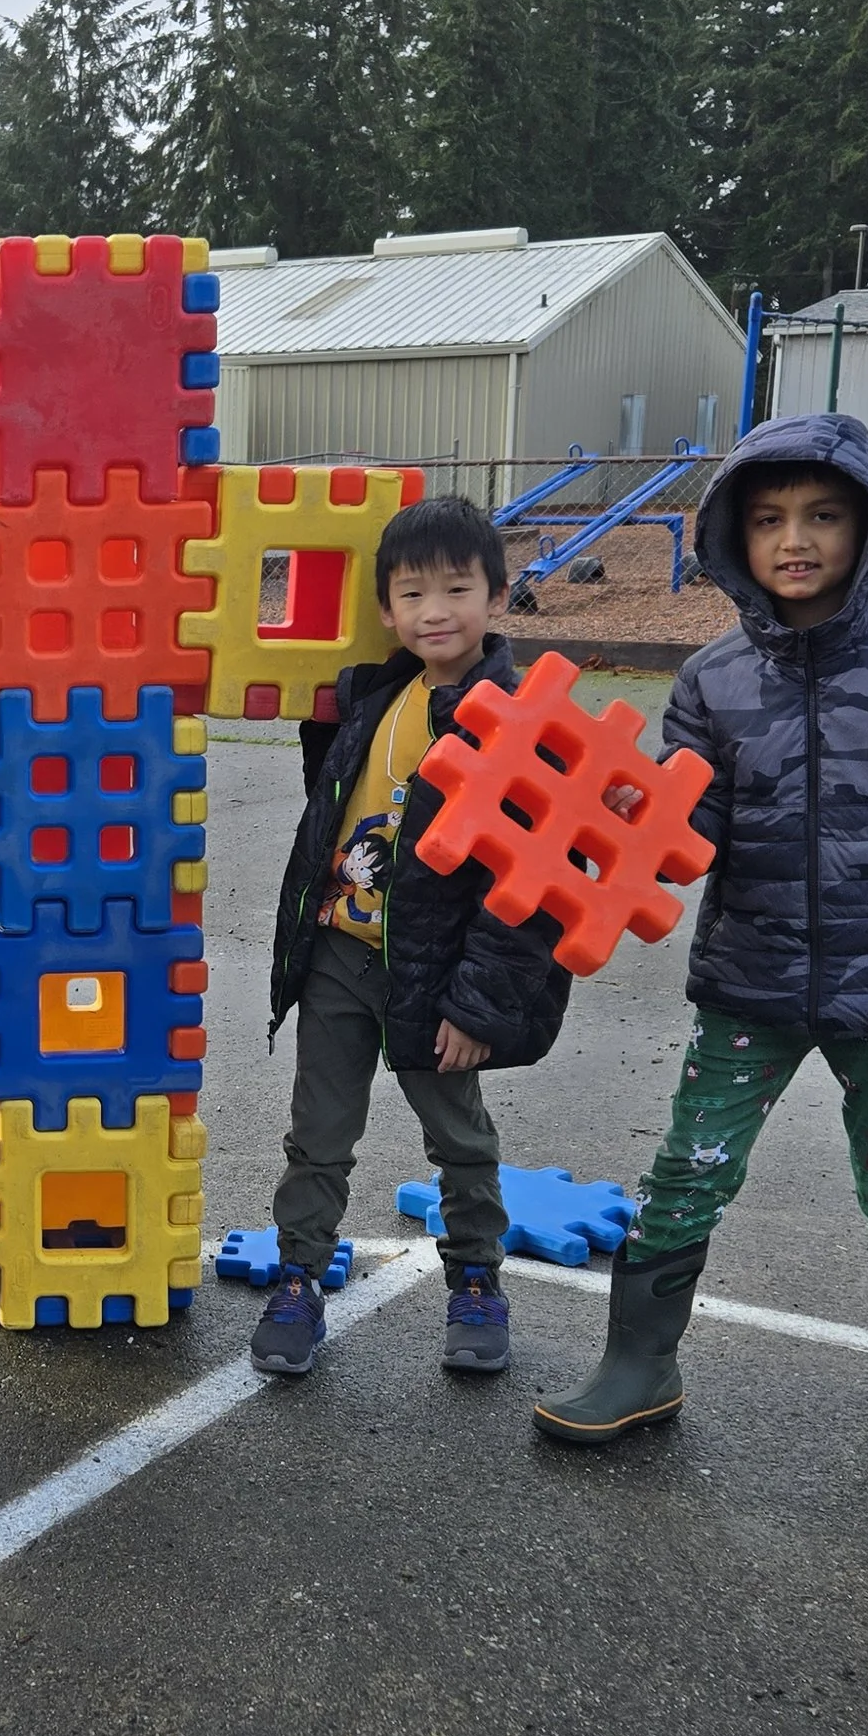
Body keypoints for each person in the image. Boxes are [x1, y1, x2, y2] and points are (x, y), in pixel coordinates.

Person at [535, 409, 868, 1460]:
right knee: (686, 1170)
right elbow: (689, 832)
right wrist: (613, 830)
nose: (793, 539)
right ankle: (640, 1359)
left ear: (866, 523)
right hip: (750, 982)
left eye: (821, 514)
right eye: (766, 519)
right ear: (734, 536)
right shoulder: (713, 680)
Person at [252, 494, 571, 1383]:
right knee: (318, 1133)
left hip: (437, 978)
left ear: (497, 596)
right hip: (340, 956)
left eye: (457, 589)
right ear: (387, 610)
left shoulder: (515, 717)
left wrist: (477, 1006)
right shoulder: (370, 695)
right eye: (413, 593)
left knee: (458, 1137)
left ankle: (475, 1281)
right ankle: (298, 1280)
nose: (436, 611)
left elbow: (526, 883)